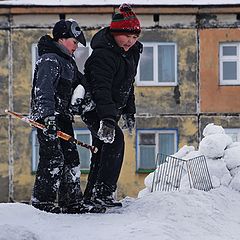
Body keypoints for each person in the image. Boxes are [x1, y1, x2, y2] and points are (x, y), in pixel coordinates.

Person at [30, 19, 104, 214]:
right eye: (74, 42)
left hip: (62, 118)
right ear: (62, 39)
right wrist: (47, 117)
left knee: (71, 158)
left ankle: (71, 203)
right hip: (47, 119)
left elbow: (82, 82)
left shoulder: (68, 63)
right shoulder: (49, 60)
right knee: (52, 157)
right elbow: (43, 90)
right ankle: (42, 204)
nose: (76, 47)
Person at [81, 3, 142, 207]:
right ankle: (103, 193)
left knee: (101, 148)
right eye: (127, 37)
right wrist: (107, 119)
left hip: (110, 109)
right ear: (115, 33)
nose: (130, 42)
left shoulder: (129, 54)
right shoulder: (103, 55)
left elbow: (127, 85)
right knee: (114, 141)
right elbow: (101, 89)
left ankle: (91, 196)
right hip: (95, 107)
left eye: (135, 38)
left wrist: (129, 111)